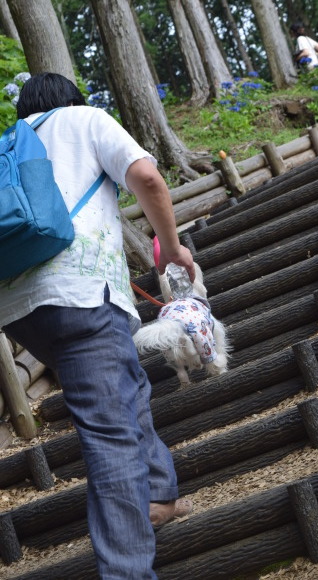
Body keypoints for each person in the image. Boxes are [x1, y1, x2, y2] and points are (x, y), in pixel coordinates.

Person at [0, 73, 194, 579]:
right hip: (84, 295)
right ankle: (128, 572)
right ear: (71, 100)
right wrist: (170, 249)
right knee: (109, 434)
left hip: (22, 312)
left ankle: (158, 495)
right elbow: (147, 178)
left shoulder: (12, 144)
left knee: (128, 385)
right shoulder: (84, 119)